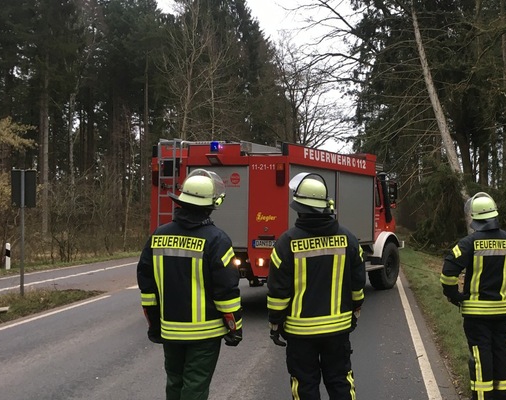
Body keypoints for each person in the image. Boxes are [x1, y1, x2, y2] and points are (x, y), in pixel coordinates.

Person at [137, 168, 243, 400]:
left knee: (174, 383)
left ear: (182, 201)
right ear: (210, 204)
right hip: (204, 335)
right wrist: (235, 328)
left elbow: (147, 287)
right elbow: (226, 292)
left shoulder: (158, 236)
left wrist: (154, 324)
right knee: (195, 387)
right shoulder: (217, 240)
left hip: (171, 330)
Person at [266, 172, 365, 400]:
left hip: (300, 333)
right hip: (338, 329)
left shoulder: (286, 243)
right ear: (325, 206)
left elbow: (278, 292)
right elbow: (358, 283)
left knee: (304, 385)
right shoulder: (348, 239)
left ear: (299, 207)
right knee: (341, 381)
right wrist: (355, 311)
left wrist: (275, 323)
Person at [440, 192, 506, 400]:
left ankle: (482, 397)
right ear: (494, 215)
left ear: (474, 217)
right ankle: (501, 394)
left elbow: (448, 274)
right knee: (499, 349)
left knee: (480, 353)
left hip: (476, 314)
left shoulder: (468, 243)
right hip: (502, 311)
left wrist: (454, 295)